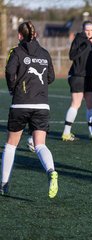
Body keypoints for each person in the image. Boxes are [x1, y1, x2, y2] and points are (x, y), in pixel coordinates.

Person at [1, 21, 58, 198]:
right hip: (41, 105)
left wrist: (13, 88)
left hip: (20, 103)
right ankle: (51, 171)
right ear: (35, 35)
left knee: (11, 145)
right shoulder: (44, 53)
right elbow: (51, 77)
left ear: (20, 35)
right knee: (40, 144)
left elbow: (10, 73)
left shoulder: (16, 52)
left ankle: (3, 184)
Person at [61, 20, 92, 141]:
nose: (89, 32)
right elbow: (72, 56)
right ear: (83, 30)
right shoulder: (79, 39)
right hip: (77, 75)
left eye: (91, 30)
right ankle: (66, 133)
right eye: (87, 30)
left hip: (88, 77)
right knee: (76, 104)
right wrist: (87, 43)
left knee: (91, 104)